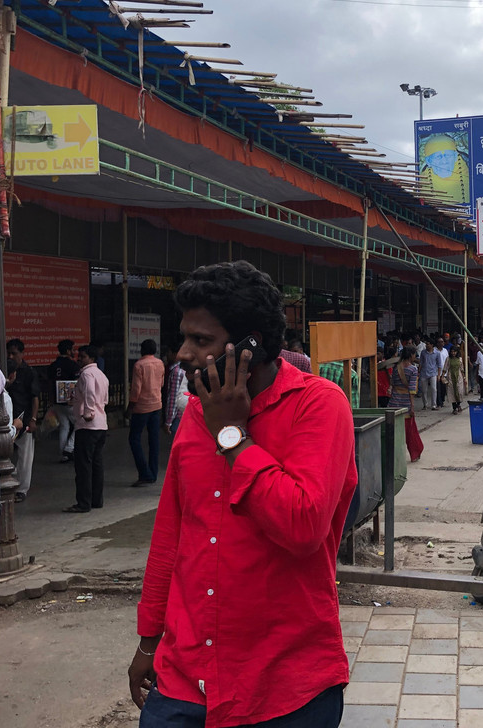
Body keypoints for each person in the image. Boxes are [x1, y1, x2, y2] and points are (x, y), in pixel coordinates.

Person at [129, 261, 356, 726]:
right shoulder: (195, 413)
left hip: (286, 685)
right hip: (184, 677)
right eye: (185, 337)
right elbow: (172, 535)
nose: (184, 354)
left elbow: (303, 525)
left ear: (249, 347)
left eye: (201, 341)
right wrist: (148, 641)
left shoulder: (319, 405)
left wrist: (233, 437)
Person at [65, 344, 109, 513]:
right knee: (96, 463)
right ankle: (96, 499)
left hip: (88, 425)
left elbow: (90, 392)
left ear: (91, 358)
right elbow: (103, 398)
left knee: (83, 465)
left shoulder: (87, 374)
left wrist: (88, 411)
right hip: (101, 423)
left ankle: (83, 502)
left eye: (82, 357)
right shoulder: (101, 375)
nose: (79, 360)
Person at [6, 338, 40, 503]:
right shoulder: (4, 370)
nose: (11, 356)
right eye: (9, 353)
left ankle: (22, 489)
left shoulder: (29, 372)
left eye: (14, 353)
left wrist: (33, 419)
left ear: (22, 353)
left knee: (25, 456)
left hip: (23, 418)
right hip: (7, 419)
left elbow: (34, 398)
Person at [128, 339, 165, 487]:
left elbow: (136, 390)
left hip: (142, 407)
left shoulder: (139, 365)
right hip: (156, 405)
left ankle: (144, 473)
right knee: (154, 440)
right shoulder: (160, 363)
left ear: (141, 350)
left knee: (134, 438)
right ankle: (153, 473)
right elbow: (161, 384)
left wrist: (130, 407)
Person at [48, 339, 79, 462]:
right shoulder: (73, 365)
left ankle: (63, 454)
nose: (74, 352)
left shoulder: (53, 365)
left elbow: (50, 383)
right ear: (68, 351)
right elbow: (77, 383)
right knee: (79, 424)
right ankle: (69, 448)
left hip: (57, 401)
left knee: (64, 426)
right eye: (73, 349)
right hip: (69, 401)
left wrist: (51, 399)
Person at [163, 359, 187, 436]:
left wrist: (168, 421)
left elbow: (173, 398)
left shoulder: (177, 372)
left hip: (177, 417)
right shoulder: (183, 370)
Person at [419, 336, 443, 410]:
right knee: (424, 390)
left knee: (433, 389)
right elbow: (421, 362)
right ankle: (425, 404)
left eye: (428, 344)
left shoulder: (437, 353)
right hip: (424, 372)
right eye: (426, 344)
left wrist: (439, 375)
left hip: (433, 373)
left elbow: (439, 365)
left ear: (432, 345)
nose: (426, 345)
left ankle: (433, 405)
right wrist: (418, 371)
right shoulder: (423, 353)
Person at [445, 345, 465, 414]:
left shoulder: (460, 359)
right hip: (451, 377)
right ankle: (454, 408)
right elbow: (445, 368)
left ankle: (458, 404)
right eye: (452, 352)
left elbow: (462, 369)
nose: (453, 353)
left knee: (459, 391)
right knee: (452, 392)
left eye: (454, 352)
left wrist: (464, 377)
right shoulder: (448, 359)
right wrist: (442, 376)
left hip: (458, 376)